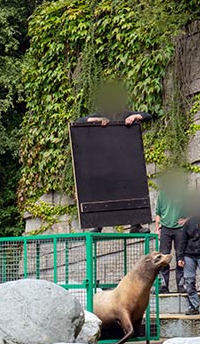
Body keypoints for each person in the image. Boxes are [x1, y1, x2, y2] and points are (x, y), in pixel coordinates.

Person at [74, 81, 153, 234]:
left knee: (133, 190)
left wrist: (135, 117)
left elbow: (148, 115)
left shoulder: (126, 114)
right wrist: (97, 121)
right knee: (103, 192)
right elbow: (79, 122)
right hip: (106, 162)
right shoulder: (101, 115)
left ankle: (135, 226)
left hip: (125, 161)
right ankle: (98, 226)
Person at [155, 172, 187, 293]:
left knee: (180, 256)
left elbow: (191, 211)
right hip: (165, 229)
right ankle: (164, 286)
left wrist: (186, 221)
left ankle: (180, 285)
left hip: (179, 230)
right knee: (164, 257)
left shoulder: (183, 194)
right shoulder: (162, 195)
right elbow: (158, 213)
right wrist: (158, 228)